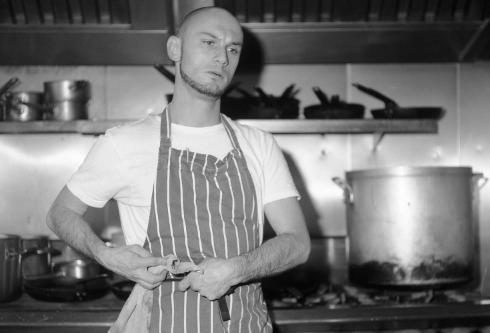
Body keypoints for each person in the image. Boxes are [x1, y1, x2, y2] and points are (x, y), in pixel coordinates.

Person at [46, 6, 310, 332]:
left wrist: (236, 270)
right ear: (175, 49)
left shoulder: (259, 144)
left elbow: (298, 243)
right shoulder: (124, 143)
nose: (222, 58)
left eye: (232, 49)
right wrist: (107, 255)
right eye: (208, 42)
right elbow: (60, 213)